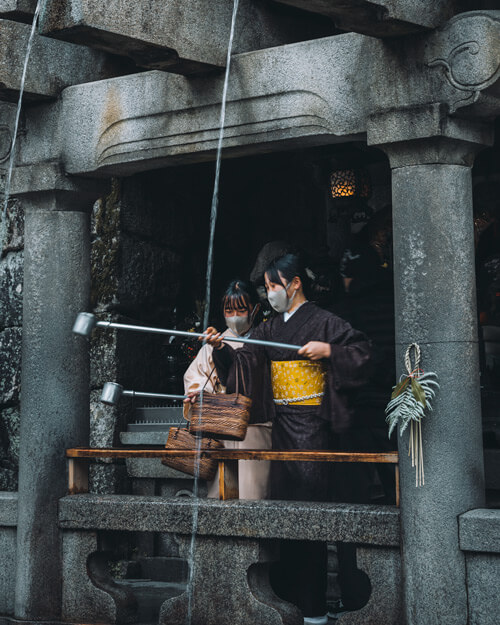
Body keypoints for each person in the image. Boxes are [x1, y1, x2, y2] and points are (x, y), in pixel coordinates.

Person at [204, 252, 372, 625]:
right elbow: (245, 362)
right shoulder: (270, 329)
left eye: (273, 286)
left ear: (295, 284)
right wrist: (219, 349)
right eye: (266, 288)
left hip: (314, 429)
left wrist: (329, 350)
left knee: (310, 513)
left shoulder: (325, 322)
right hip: (281, 429)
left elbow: (362, 353)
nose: (269, 294)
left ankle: (316, 605)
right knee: (283, 513)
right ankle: (293, 601)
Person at [183, 279, 272, 500]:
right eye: (229, 310)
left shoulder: (266, 340)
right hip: (220, 426)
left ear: (255, 309)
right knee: (220, 491)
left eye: (241, 309)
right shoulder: (213, 343)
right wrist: (196, 394)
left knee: (254, 490)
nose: (234, 316)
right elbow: (194, 376)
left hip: (254, 427)